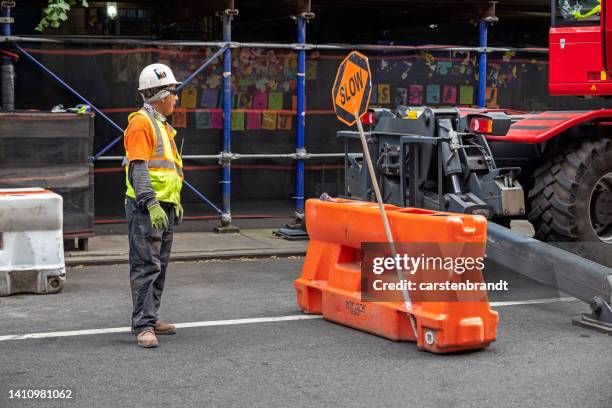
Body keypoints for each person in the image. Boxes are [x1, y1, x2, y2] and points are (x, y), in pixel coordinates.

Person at [123, 63, 184, 348]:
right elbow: (139, 169)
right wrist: (151, 203)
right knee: (146, 265)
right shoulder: (140, 123)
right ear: (161, 95)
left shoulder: (161, 125)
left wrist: (175, 201)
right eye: (173, 92)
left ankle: (151, 316)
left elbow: (170, 169)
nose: (176, 98)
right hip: (148, 207)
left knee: (158, 266)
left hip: (165, 206)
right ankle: (143, 326)